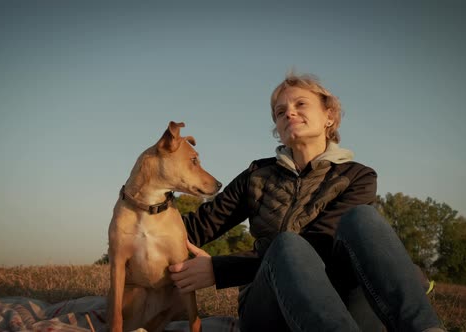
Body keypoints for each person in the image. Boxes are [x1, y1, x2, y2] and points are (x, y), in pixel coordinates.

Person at [168, 73, 445, 332]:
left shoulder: (358, 176)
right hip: (270, 307)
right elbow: (197, 226)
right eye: (279, 111)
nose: (289, 112)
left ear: (329, 115)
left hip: (345, 304)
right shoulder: (257, 175)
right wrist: (140, 207)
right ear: (277, 128)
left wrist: (220, 269)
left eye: (301, 104)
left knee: (363, 219)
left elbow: (320, 244)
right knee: (287, 244)